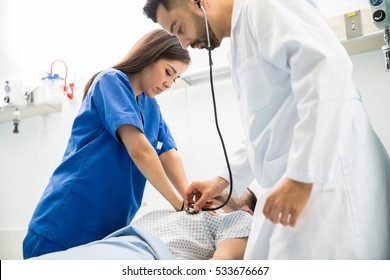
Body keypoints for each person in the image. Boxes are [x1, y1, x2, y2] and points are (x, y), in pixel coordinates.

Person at [143, 0, 390, 259]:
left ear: (199, 2)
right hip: (295, 183)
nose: (183, 44)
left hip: (327, 178)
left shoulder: (264, 5)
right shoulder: (242, 38)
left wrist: (301, 177)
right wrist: (222, 181)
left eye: (179, 28)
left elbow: (328, 67)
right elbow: (267, 130)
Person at [23, 29, 192, 259]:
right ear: (150, 56)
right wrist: (179, 205)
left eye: (175, 78)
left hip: (102, 234)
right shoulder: (111, 81)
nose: (169, 83)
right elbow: (141, 151)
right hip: (63, 225)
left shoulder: (150, 106)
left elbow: (168, 153)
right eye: (168, 72)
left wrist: (191, 201)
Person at [30, 188, 257, 260]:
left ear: (247, 210)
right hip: (108, 245)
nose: (225, 186)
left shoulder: (238, 219)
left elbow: (221, 265)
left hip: (147, 256)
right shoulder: (181, 208)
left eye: (238, 187)